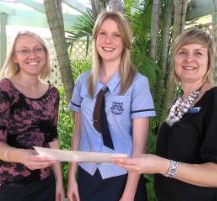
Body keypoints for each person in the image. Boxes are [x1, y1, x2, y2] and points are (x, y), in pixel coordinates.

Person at [113, 28, 217, 201]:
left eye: (198, 53)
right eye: (182, 52)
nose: (189, 59)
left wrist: (162, 166)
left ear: (209, 60)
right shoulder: (179, 102)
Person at [67, 11, 156, 201]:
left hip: (122, 178)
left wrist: (129, 194)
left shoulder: (138, 84)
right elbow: (78, 133)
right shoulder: (83, 82)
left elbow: (139, 146)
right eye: (103, 33)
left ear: (125, 42)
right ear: (95, 38)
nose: (108, 41)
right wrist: (72, 178)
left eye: (116, 35)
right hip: (87, 176)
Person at [0, 31, 64, 201]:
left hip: (45, 185)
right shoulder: (3, 90)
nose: (32, 55)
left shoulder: (52, 94)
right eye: (24, 50)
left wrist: (59, 181)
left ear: (45, 54)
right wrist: (22, 156)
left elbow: (52, 139)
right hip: (12, 187)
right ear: (14, 57)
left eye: (38, 49)